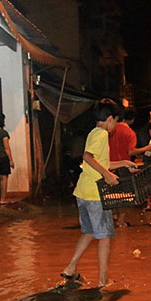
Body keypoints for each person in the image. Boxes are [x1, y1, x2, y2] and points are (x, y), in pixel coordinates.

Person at [61, 99, 136, 287]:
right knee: (104, 236)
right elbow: (87, 157)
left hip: (83, 192)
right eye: (116, 121)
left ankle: (70, 268)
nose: (115, 126)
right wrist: (107, 175)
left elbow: (100, 162)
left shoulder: (93, 132)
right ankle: (103, 280)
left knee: (89, 232)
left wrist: (124, 163)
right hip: (95, 194)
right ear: (110, 119)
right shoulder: (102, 134)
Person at [109, 107, 151, 227]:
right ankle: (121, 221)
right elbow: (130, 151)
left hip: (108, 165)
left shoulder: (110, 129)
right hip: (123, 166)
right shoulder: (130, 133)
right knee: (124, 194)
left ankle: (113, 215)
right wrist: (147, 148)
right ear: (133, 119)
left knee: (111, 193)